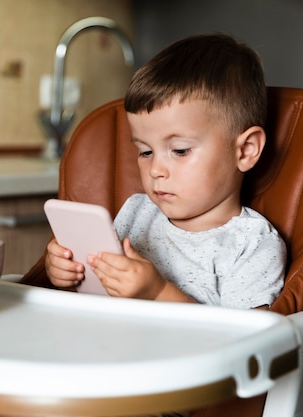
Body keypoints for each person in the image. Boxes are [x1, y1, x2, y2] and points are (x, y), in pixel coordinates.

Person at [45, 33, 286, 309]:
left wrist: (158, 292)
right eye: (145, 151)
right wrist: (69, 272)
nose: (156, 169)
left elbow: (249, 342)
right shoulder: (136, 212)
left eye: (180, 151)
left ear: (245, 150)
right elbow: (100, 298)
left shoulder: (252, 245)